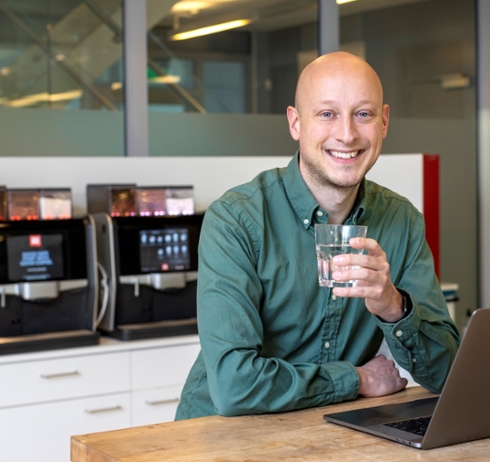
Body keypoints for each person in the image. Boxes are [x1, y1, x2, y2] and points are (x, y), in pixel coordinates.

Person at [175, 52, 460, 420]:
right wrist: (355, 380)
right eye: (327, 114)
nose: (347, 134)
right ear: (296, 123)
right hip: (222, 440)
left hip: (326, 438)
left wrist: (393, 306)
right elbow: (234, 387)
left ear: (384, 121)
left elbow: (449, 374)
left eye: (364, 114)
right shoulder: (236, 220)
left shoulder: (401, 221)